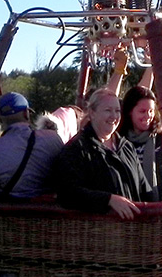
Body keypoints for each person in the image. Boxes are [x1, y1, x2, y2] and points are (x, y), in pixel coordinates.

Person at [52, 88, 155, 219]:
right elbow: (67, 193)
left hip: (132, 232)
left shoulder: (126, 147)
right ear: (92, 113)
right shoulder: (76, 149)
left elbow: (144, 188)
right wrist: (108, 200)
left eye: (117, 111)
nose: (114, 116)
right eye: (108, 110)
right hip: (98, 233)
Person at [0, 92, 63, 199]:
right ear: (26, 114)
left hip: (3, 211)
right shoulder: (51, 138)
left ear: (0, 118)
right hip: (41, 210)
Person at [118, 86, 162, 201]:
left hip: (161, 203)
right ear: (130, 112)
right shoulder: (118, 140)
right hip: (128, 204)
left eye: (151, 111)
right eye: (142, 111)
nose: (148, 116)